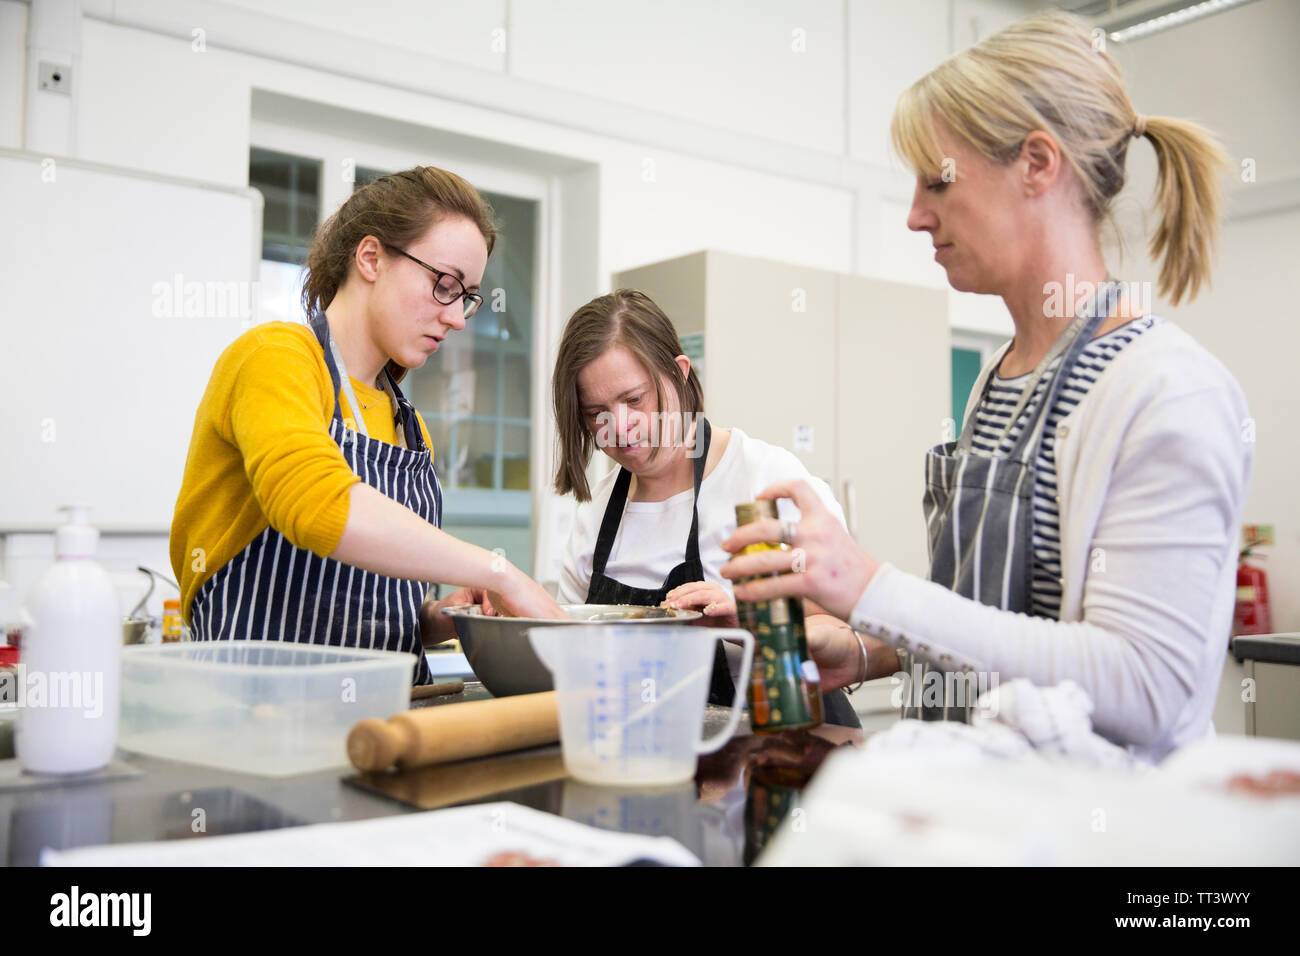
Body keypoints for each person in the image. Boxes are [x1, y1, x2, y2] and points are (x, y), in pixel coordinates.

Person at [720, 12, 1253, 762]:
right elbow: (993, 624)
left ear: (1038, 164)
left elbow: (1149, 686)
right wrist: (869, 649)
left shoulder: (1164, 391)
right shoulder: (997, 385)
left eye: (938, 179)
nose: (913, 215)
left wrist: (872, 587)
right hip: (973, 814)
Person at [170, 166, 562, 685]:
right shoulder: (275, 359)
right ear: (371, 257)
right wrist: (498, 572)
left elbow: (370, 614)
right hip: (263, 725)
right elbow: (315, 506)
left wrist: (439, 618)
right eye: (444, 284)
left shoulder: (408, 422)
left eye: (467, 296)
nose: (459, 318)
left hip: (389, 730)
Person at [553, 289, 872, 727]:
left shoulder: (764, 482)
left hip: (783, 746)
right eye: (596, 412)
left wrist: (751, 617)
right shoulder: (597, 511)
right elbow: (568, 645)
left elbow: (850, 629)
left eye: (634, 400)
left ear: (680, 373)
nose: (619, 428)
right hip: (652, 745)